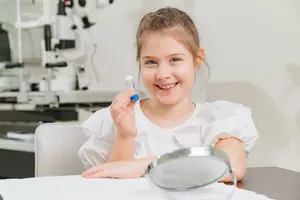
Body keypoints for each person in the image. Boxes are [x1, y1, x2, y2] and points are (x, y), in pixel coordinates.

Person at [78, 7, 259, 182]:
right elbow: (111, 182)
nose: (162, 74)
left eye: (175, 59)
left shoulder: (218, 119)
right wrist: (125, 135)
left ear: (197, 59)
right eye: (151, 62)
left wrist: (146, 165)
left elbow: (231, 167)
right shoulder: (118, 121)